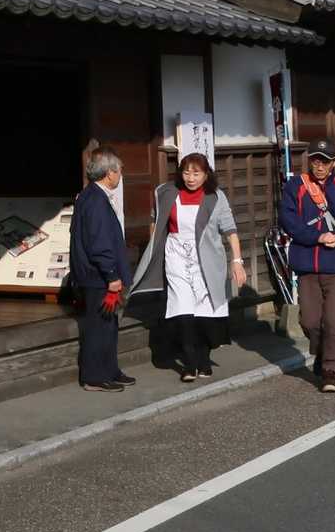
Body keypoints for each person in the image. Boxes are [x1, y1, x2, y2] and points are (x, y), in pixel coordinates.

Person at [129, 153, 244, 382]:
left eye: (196, 173)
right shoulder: (166, 192)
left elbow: (230, 230)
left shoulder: (216, 196)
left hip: (207, 260)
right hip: (176, 256)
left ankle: (204, 360)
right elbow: (155, 220)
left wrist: (237, 261)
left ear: (206, 174)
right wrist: (155, 247)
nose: (190, 178)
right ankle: (190, 364)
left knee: (205, 314)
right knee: (183, 311)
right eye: (186, 172)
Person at [279, 138, 335, 393]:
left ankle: (330, 372)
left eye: (325, 161)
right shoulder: (295, 186)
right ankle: (322, 353)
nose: (319, 166)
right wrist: (316, 237)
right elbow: (288, 220)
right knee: (309, 321)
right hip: (307, 264)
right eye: (315, 161)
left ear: (334, 163)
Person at [70, 146, 134, 393]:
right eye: (119, 171)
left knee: (108, 325)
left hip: (96, 274)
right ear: (109, 173)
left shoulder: (90, 195)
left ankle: (110, 370)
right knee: (98, 327)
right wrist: (111, 275)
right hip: (98, 275)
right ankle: (94, 376)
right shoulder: (95, 200)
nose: (120, 176)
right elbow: (99, 243)